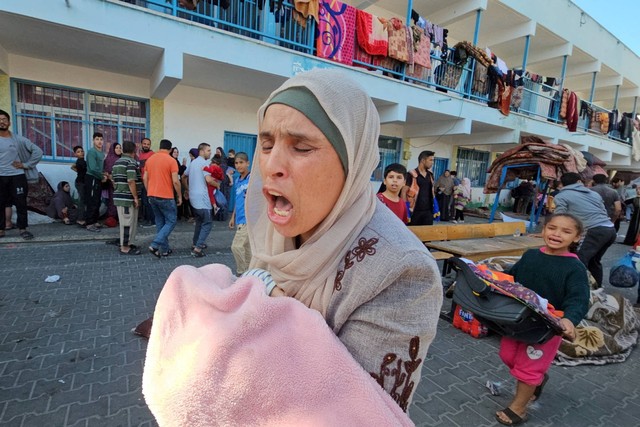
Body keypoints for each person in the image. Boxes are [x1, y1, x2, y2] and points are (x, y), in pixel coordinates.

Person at [245, 69, 442, 409]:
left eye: (302, 147)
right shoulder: (270, 233)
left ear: (353, 161)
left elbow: (355, 411)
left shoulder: (401, 272)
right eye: (265, 144)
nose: (272, 164)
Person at [495, 213, 589, 426]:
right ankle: (537, 380)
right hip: (517, 322)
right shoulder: (530, 255)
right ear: (544, 230)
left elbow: (579, 299)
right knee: (508, 356)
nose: (557, 234)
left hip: (546, 329)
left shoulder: (575, 268)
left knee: (528, 369)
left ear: (576, 237)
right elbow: (512, 278)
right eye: (552, 228)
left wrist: (568, 320)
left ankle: (518, 408)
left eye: (566, 231)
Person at [553, 172, 617, 286]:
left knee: (578, 261)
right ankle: (597, 290)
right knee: (594, 262)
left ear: (562, 184)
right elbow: (603, 211)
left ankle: (577, 290)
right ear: (579, 182)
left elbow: (560, 217)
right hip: (610, 230)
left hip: (593, 231)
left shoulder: (561, 196)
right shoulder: (593, 194)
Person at [0, 109, 43, 240]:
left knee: (21, 203)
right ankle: (1, 230)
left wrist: (26, 165)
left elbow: (38, 151)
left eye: (4, 119)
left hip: (17, 176)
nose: (1, 122)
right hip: (1, 176)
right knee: (0, 203)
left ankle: (23, 229)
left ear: (9, 122)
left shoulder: (18, 139)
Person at [144, 139, 182, 258]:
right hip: (166, 196)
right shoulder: (171, 161)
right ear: (170, 149)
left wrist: (149, 190)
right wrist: (179, 195)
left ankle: (165, 249)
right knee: (171, 221)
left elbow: (145, 178)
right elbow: (176, 181)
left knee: (160, 222)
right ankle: (155, 244)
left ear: (160, 147)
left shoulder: (150, 159)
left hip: (152, 195)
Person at [182, 143, 216, 258]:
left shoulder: (193, 163)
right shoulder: (204, 163)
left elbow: (183, 176)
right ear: (201, 151)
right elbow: (209, 180)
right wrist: (217, 185)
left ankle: (195, 243)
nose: (210, 153)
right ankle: (198, 248)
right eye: (208, 150)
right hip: (203, 199)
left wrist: (187, 189)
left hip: (193, 198)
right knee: (207, 223)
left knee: (199, 222)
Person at [112, 141, 142, 255]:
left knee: (128, 222)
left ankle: (128, 243)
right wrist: (135, 197)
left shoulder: (117, 162)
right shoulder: (130, 162)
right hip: (127, 199)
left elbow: (113, 180)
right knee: (127, 222)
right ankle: (125, 247)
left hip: (121, 196)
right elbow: (131, 180)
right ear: (134, 150)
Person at [228, 152, 251, 275]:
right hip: (240, 219)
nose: (238, 165)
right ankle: (251, 274)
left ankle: (242, 272)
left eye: (241, 162)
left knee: (236, 247)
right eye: (236, 163)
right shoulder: (237, 180)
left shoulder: (252, 178)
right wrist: (233, 217)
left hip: (250, 220)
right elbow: (238, 200)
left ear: (248, 163)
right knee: (247, 249)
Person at [84, 132, 107, 232]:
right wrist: (102, 176)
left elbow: (100, 168)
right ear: (93, 141)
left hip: (98, 178)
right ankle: (89, 223)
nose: (99, 141)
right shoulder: (91, 152)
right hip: (92, 178)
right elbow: (93, 168)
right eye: (97, 139)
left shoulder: (101, 153)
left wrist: (103, 175)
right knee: (92, 200)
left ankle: (95, 221)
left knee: (97, 200)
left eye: (101, 139)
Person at [406, 150, 435, 225]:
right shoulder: (411, 174)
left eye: (433, 160)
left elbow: (432, 192)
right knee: (413, 234)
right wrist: (405, 209)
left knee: (427, 233)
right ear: (423, 160)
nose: (432, 162)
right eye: (430, 160)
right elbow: (404, 191)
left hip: (428, 211)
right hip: (414, 211)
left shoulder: (430, 175)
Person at [138, 137, 155, 227]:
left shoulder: (152, 154)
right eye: (144, 144)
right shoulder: (140, 155)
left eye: (148, 144)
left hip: (150, 181)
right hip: (142, 180)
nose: (146, 145)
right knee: (145, 201)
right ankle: (148, 219)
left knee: (149, 201)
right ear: (141, 144)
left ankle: (152, 221)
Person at [104, 142, 122, 222]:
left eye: (120, 148)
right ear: (112, 149)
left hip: (121, 182)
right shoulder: (109, 159)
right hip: (112, 183)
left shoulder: (121, 158)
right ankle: (112, 217)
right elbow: (107, 171)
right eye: (116, 148)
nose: (119, 149)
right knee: (112, 200)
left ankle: (119, 217)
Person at [70, 145, 87, 226]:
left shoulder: (81, 161)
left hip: (82, 182)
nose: (81, 153)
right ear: (75, 154)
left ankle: (83, 218)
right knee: (82, 201)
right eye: (78, 152)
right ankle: (80, 219)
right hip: (80, 183)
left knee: (83, 201)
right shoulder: (81, 162)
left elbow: (73, 168)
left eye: (82, 151)